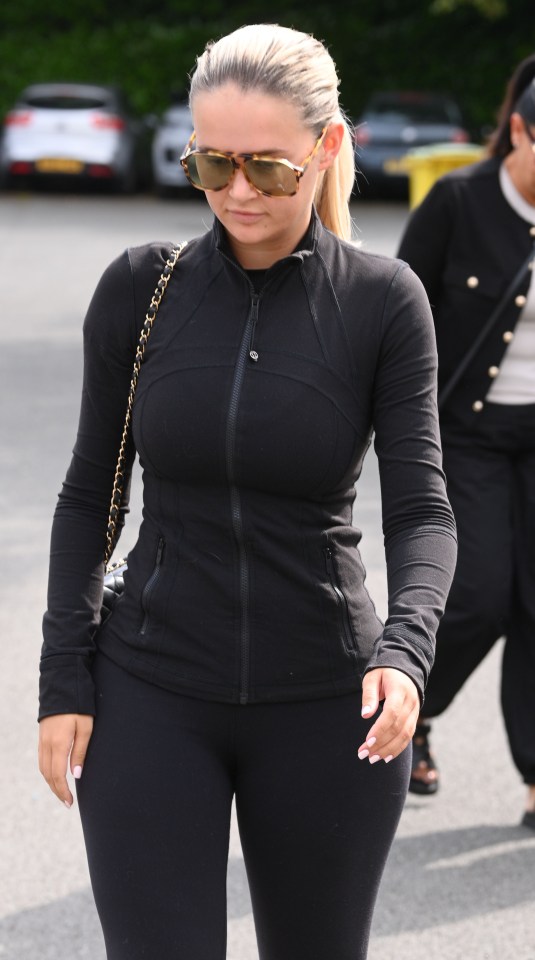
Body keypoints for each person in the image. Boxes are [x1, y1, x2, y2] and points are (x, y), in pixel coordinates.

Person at [38, 23, 457, 960]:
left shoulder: (383, 302)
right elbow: (88, 496)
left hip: (323, 701)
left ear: (327, 149)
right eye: (210, 164)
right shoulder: (143, 289)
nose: (236, 192)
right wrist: (62, 676)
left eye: (266, 169)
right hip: (149, 686)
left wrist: (406, 651)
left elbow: (423, 509)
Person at [397, 54, 535, 828]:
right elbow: (395, 317)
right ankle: (409, 705)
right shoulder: (457, 203)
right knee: (477, 595)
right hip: (468, 434)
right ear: (518, 129)